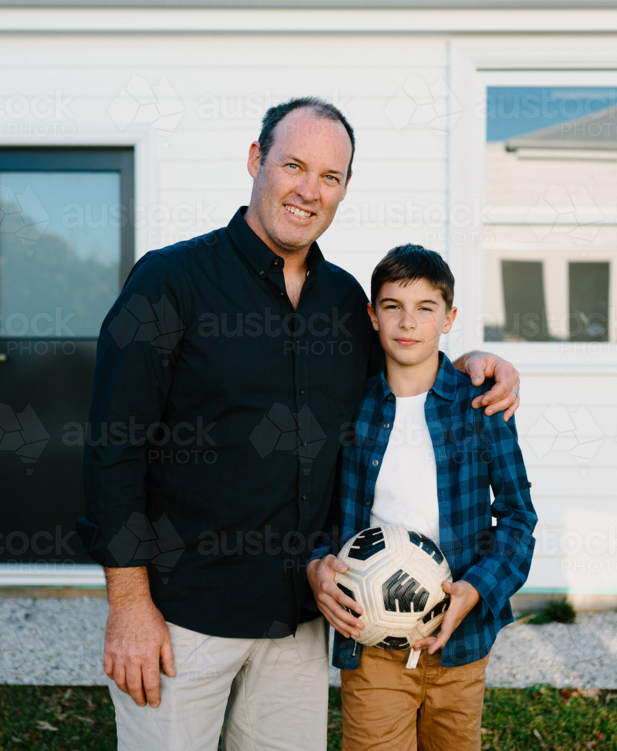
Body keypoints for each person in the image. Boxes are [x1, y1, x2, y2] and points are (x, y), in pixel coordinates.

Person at [77, 97, 522, 751]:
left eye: (331, 176)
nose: (309, 190)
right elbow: (112, 451)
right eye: (294, 165)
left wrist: (475, 364)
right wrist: (130, 606)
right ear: (257, 161)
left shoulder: (347, 302)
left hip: (303, 619)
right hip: (184, 615)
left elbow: (408, 365)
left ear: (344, 188)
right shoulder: (170, 282)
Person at [307, 244, 537, 751]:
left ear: (449, 317)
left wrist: (477, 589)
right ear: (372, 315)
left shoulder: (481, 406)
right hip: (371, 645)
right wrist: (316, 562)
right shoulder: (351, 409)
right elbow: (317, 510)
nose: (408, 323)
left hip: (461, 642)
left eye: (425, 308)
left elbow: (519, 517)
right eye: (392, 306)